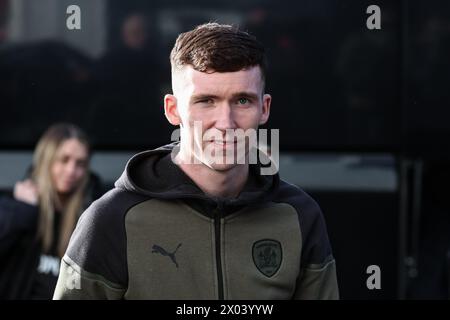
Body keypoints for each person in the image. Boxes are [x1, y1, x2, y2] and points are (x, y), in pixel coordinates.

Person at [53, 23, 339, 299]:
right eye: (206, 101)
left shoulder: (299, 217)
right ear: (173, 110)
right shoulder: (111, 221)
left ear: (264, 109)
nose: (226, 123)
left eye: (242, 101)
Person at [0, 123, 102, 299]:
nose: (71, 170)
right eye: (63, 160)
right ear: (46, 160)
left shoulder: (88, 218)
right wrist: (23, 211)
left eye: (80, 163)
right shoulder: (17, 208)